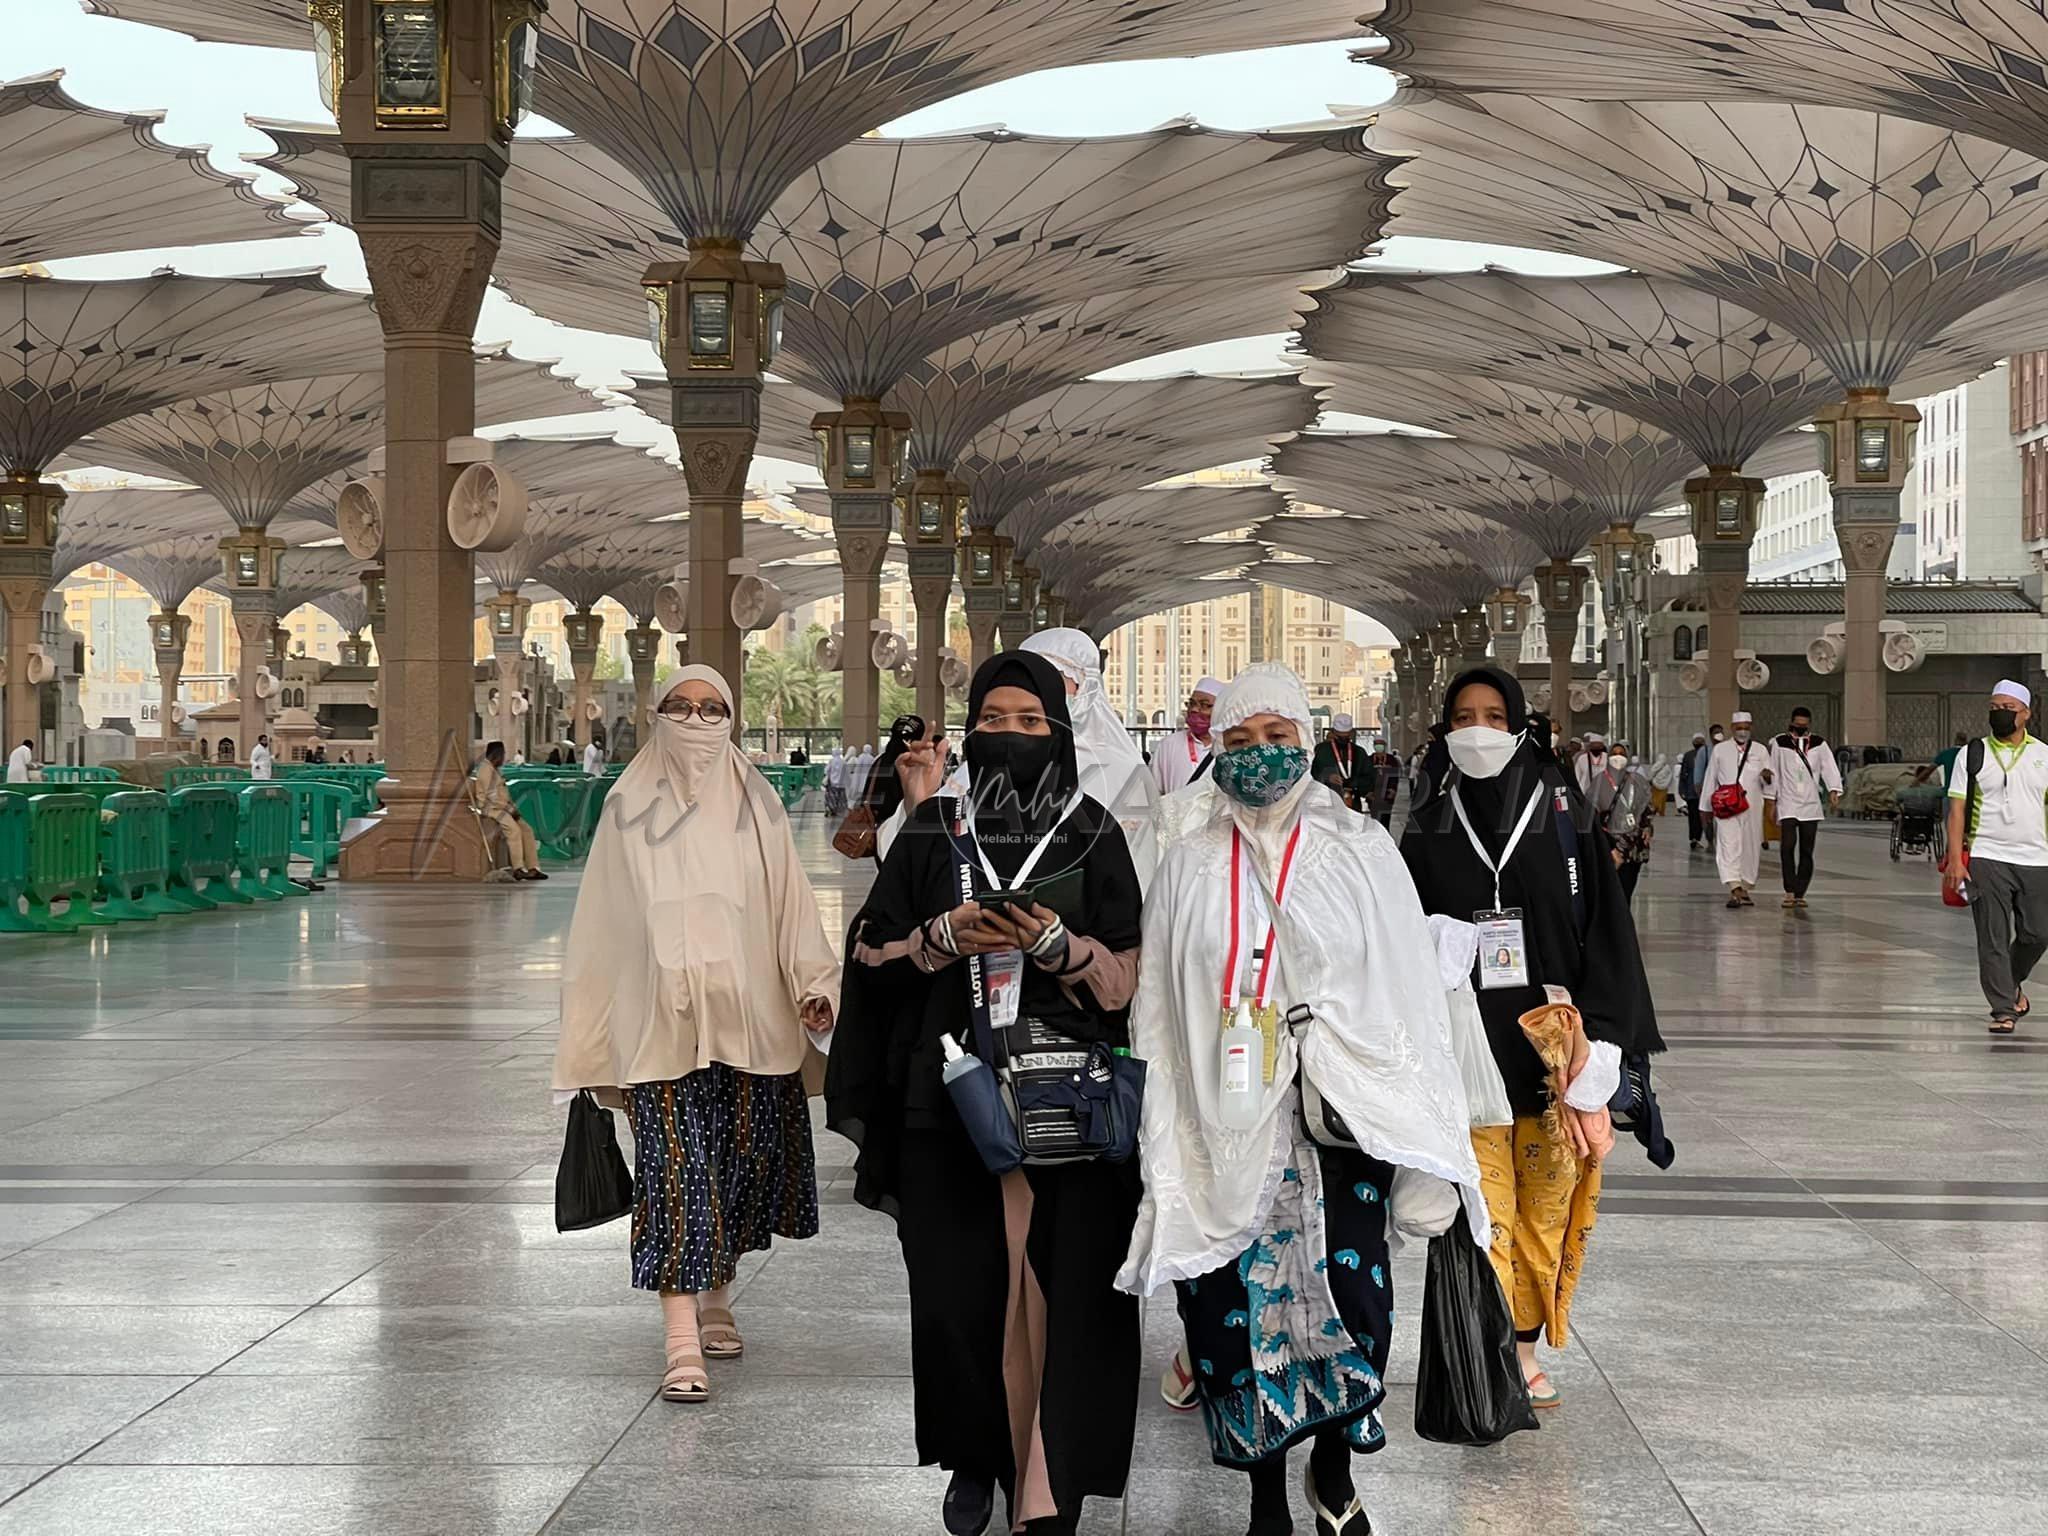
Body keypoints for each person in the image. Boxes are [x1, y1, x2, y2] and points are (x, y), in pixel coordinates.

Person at [1119, 662, 1485, 1536]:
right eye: (1238, 743)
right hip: (1225, 1113)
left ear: (1308, 740)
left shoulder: (1359, 847)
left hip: (1336, 1118)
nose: (1258, 759)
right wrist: (1161, 1112)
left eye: (1276, 739)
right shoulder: (1190, 860)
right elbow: (1162, 1004)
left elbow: (1403, 986)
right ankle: (1260, 1496)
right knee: (1229, 1306)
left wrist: (1399, 1096)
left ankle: (1329, 1469)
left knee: (1348, 1296)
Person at [829, 650, 1143, 1536]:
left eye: (1029, 722)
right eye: (993, 720)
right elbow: (869, 952)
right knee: (959, 1294)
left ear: (1060, 733)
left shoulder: (1092, 832)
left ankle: (1049, 1482)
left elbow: (1127, 975)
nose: (1009, 734)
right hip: (949, 1095)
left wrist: (1057, 948)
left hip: (1068, 1100)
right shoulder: (934, 832)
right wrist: (940, 937)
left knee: (1068, 1292)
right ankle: (978, 1459)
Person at [553, 665, 839, 1404]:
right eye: (680, 708)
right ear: (656, 716)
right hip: (660, 1025)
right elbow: (600, 932)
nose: (697, 722)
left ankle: (717, 1294)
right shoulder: (627, 806)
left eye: (713, 710)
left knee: (739, 1167)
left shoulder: (758, 803)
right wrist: (590, 1034)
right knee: (675, 1172)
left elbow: (791, 906)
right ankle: (682, 1339)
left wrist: (815, 986)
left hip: (750, 1020)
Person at [1401, 668, 1661, 1408]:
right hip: (1469, 1046)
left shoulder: (1561, 809)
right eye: (1462, 715)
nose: (1477, 730)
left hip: (1552, 1050)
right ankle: (1493, 1345)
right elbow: (1402, 921)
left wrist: (1605, 1041)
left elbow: (1604, 926)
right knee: (1487, 1209)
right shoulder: (1430, 811)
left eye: (1492, 714)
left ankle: (1521, 1342)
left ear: (1519, 725)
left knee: (1548, 1210)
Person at [1022, 626, 1161, 890]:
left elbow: (1140, 868)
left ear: (1086, 685)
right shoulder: (994, 755)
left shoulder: (1124, 771)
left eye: (1052, 680)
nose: (1038, 694)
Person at [1944, 682, 2048, 1034]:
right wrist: (1956, 859)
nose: (1999, 712)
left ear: (2026, 714)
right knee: (1993, 936)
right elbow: (1956, 809)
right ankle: (2003, 1009)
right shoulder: (1972, 754)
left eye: (2007, 706)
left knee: (2038, 932)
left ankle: (2011, 979)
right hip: (1986, 855)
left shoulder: (2044, 756)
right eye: (1994, 705)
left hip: (2037, 857)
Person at [1764, 706, 1843, 910]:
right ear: (1791, 722)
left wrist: (1834, 789)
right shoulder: (1780, 743)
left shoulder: (1819, 744)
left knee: (1807, 850)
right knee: (1787, 847)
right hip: (1788, 802)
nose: (1800, 728)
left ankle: (1800, 892)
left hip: (1810, 804)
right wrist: (1771, 800)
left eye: (1804, 725)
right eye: (1797, 724)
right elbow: (1774, 771)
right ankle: (1789, 891)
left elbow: (1829, 767)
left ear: (1809, 724)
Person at [1701, 712, 1771, 908]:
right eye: (1739, 727)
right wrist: (1704, 808)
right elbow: (1710, 778)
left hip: (1753, 806)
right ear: (1732, 728)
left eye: (1746, 727)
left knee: (1750, 845)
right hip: (1727, 806)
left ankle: (1745, 886)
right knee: (1728, 844)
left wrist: (1767, 778)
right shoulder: (1720, 750)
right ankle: (1734, 886)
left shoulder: (1760, 750)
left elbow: (1771, 780)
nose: (1743, 731)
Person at [1590, 740, 1655, 906]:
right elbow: (1590, 812)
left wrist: (1647, 828)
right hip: (1609, 844)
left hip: (1632, 843)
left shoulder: (1637, 781)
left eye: (1622, 754)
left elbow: (1647, 807)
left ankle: (1623, 919)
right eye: (1614, 753)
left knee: (1627, 887)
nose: (1618, 757)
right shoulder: (1599, 781)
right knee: (1609, 888)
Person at [471, 740, 544, 881]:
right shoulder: (485, 771)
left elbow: (503, 794)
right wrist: (509, 809)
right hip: (491, 809)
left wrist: (512, 808)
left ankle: (533, 868)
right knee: (513, 830)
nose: (504, 758)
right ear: (496, 755)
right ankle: (518, 868)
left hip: (503, 808)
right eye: (502, 755)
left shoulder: (495, 769)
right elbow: (492, 797)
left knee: (527, 830)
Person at [1151, 677, 1223, 794]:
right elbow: (1154, 793)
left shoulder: (1230, 747)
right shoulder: (1168, 744)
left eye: (1204, 705)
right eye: (1191, 704)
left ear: (1221, 709)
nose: (1194, 709)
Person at [1310, 711, 1373, 811]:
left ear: (1351, 733)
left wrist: (1354, 784)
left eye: (1346, 737)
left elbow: (1368, 776)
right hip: (1327, 801)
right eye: (1340, 737)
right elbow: (1313, 773)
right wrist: (1327, 777)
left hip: (1352, 802)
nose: (1343, 740)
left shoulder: (1359, 752)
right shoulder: (1322, 750)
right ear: (1333, 732)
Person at [1678, 732, 1711, 849]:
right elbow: (1683, 775)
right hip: (1692, 793)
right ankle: (1694, 838)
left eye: (1700, 740)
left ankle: (1703, 838)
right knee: (1693, 817)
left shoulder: (1708, 754)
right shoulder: (1688, 756)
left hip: (1705, 792)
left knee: (1703, 817)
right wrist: (1681, 790)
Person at [1367, 737, 1400, 826]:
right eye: (1377, 744)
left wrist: (1393, 789)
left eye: (1380, 744)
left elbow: (1395, 776)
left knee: (1386, 818)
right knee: (1375, 818)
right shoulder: (1368, 760)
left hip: (1387, 792)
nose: (1379, 746)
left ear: (1384, 746)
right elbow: (1365, 776)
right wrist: (1368, 791)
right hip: (1373, 793)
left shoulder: (1391, 760)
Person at [824, 745, 848, 817]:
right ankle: (837, 810)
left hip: (832, 783)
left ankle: (830, 809)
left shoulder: (831, 761)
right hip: (841, 783)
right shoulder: (843, 761)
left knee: (831, 797)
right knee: (839, 797)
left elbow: (826, 770)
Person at [849, 741, 876, 805]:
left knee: (860, 791)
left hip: (860, 777)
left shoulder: (860, 757)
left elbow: (858, 768)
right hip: (868, 777)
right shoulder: (871, 758)